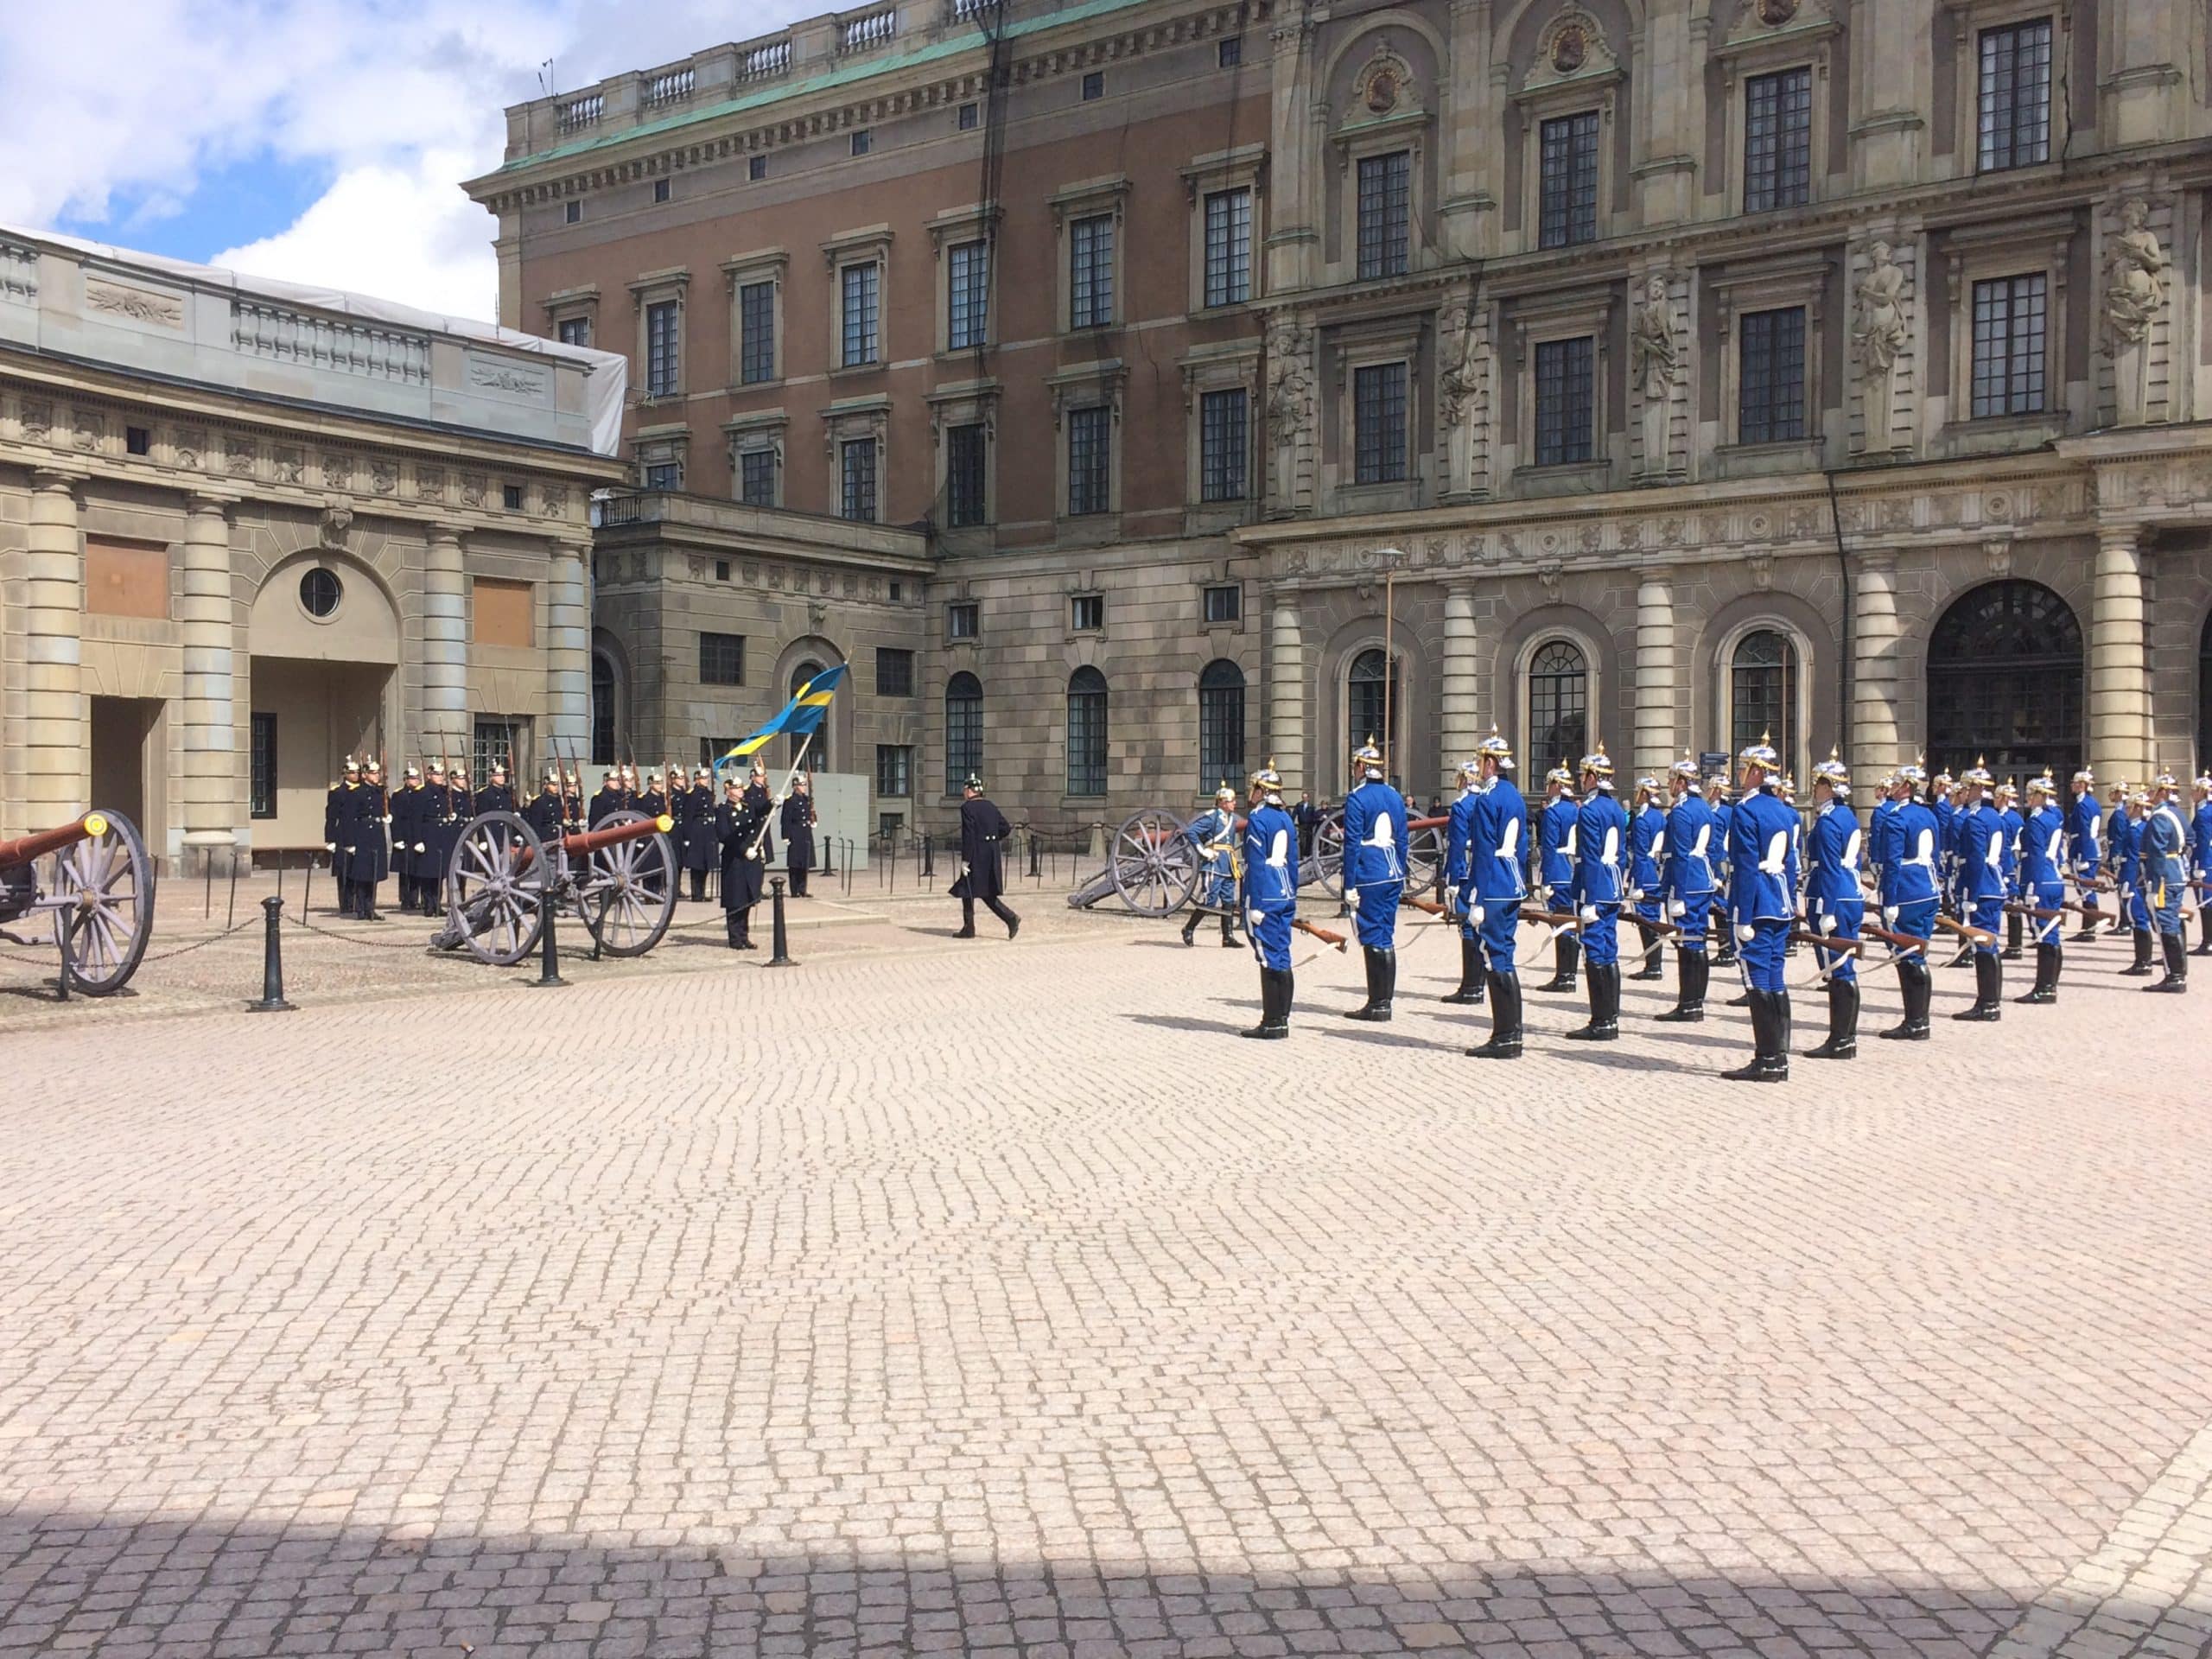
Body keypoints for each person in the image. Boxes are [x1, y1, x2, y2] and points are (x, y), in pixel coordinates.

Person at [1722, 734, 1799, 1082]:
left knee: (1757, 982)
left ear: (1756, 772)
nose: (1739, 774)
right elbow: (1792, 862)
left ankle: (1767, 1058)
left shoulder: (1746, 810)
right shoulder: (1785, 810)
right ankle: (1779, 1056)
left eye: (1743, 768)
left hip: (1756, 903)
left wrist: (1744, 914)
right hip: (1780, 900)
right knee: (1775, 977)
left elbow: (1747, 866)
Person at [1460, 729, 1529, 1059]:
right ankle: (1510, 1032)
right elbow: (1524, 846)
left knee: (1494, 956)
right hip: (1512, 880)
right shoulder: (1514, 795)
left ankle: (1506, 1036)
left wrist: (1478, 897)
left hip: (1494, 886)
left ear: (1490, 763)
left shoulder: (1488, 799)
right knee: (1504, 955)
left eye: (1480, 761)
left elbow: (1485, 851)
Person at [1340, 736, 1408, 1021]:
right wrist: (1400, 869)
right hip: (1393, 870)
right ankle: (1383, 1001)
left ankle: (1378, 1003)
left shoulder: (1358, 798)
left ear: (1361, 767)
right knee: (1386, 934)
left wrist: (1349, 883)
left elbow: (1352, 843)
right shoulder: (1394, 795)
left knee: (1371, 936)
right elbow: (1403, 839)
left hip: (1370, 873)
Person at [1802, 751, 1865, 1059]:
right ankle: (1844, 1038)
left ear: (1829, 788)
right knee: (1843, 967)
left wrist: (1826, 908)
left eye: (1818, 785)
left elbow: (1827, 867)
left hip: (1832, 896)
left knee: (1838, 969)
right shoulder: (1848, 816)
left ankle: (1841, 1040)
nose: (1815, 791)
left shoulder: (1827, 822)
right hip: (1850, 892)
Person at [1875, 761, 1941, 1041]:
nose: (1891, 788)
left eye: (1895, 784)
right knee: (1919, 953)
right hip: (1928, 886)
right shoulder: (1929, 816)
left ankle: (1915, 1021)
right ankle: (1919, 1019)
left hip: (1907, 891)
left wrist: (1889, 899)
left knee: (1906, 956)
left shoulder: (1896, 818)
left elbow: (1892, 863)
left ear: (1905, 787)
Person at [1566, 745, 1626, 1042]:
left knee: (1594, 951)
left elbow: (1589, 857)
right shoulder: (1615, 808)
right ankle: (1611, 1016)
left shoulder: (1589, 811)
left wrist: (1588, 898)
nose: (1580, 779)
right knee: (1608, 949)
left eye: (1583, 775)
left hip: (1596, 886)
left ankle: (1601, 1020)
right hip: (1613, 883)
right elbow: (1622, 853)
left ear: (1592, 777)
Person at [1240, 761, 1299, 1039]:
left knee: (1268, 958)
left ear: (1261, 790)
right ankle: (1281, 1018)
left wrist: (1257, 905)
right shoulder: (1285, 817)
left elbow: (1256, 864)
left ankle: (1272, 1021)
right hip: (1285, 890)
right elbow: (1294, 862)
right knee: (1282, 955)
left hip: (1266, 893)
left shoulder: (1258, 818)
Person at [1656, 758, 1717, 1023]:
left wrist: (1677, 894)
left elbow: (1680, 855)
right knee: (1697, 939)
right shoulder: (1703, 808)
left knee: (1687, 942)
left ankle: (1689, 1003)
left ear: (1682, 782)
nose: (1669, 785)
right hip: (1702, 878)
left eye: (1672, 780)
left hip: (1687, 882)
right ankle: (1694, 1001)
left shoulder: (1681, 812)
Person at [1950, 760, 2007, 1020]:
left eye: (1967, 788)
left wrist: (1969, 896)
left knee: (1983, 945)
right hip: (1993, 882)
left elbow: (1974, 860)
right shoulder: (1995, 817)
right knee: (1989, 943)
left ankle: (1987, 1003)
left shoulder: (1974, 820)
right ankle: (1990, 1002)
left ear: (1975, 789)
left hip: (1980, 886)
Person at [2014, 774, 2067, 1004]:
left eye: (2031, 793)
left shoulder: (2036, 821)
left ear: (2039, 796)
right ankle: (2049, 985)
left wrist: (2030, 887)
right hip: (2053, 877)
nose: (2028, 798)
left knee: (2044, 933)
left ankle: (2044, 987)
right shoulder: (2053, 818)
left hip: (2040, 879)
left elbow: (2034, 856)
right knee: (2052, 934)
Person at [1440, 760, 1487, 1005]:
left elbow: (1457, 845)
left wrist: (1452, 878)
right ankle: (1478, 983)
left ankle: (1470, 986)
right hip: (1485, 870)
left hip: (1466, 870)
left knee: (1467, 926)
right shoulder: (1486, 801)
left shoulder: (1462, 806)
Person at [1533, 764, 1580, 993]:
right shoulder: (1578, 810)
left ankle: (1565, 976)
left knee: (1561, 924)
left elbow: (1549, 847)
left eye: (1550, 785)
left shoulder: (1553, 812)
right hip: (1574, 871)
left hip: (1559, 871)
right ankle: (1569, 974)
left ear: (1558, 786)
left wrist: (1546, 879)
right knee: (1571, 922)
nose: (1547, 789)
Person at [955, 773, 1020, 939]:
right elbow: (1005, 828)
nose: (964, 793)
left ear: (970, 791)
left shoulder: (967, 808)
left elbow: (968, 835)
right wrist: (991, 838)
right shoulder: (991, 805)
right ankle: (972, 926)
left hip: (976, 854)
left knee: (969, 890)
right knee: (980, 891)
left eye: (964, 790)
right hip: (991, 853)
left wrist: (965, 860)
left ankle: (1008, 918)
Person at [716, 765, 775, 949]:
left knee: (748, 899)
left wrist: (773, 802)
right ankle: (735, 938)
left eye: (741, 788)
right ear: (728, 791)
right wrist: (744, 850)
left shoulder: (748, 807)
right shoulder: (723, 811)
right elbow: (725, 836)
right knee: (736, 900)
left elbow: (762, 810)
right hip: (735, 859)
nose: (740, 791)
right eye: (736, 788)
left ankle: (744, 936)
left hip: (751, 860)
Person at [2142, 772, 2190, 994]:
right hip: (2177, 871)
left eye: (2152, 790)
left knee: (2165, 924)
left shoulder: (2160, 816)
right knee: (2171, 921)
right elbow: (2190, 841)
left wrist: (2154, 880)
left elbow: (2157, 851)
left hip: (2165, 876)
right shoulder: (2178, 813)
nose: (2149, 795)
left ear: (2162, 792)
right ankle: (2178, 972)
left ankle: (2175, 976)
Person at [1182, 784, 1243, 948]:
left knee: (1228, 900)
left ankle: (1228, 936)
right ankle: (1189, 928)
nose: (1234, 803)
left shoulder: (1232, 818)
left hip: (1228, 863)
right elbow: (1191, 832)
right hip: (1214, 863)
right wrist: (1203, 851)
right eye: (1231, 801)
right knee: (1209, 900)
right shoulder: (1211, 817)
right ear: (1222, 803)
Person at [1627, 774, 1668, 982]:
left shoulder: (1643, 819)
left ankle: (1653, 966)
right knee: (1654, 919)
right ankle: (1655, 964)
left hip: (1646, 873)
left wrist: (1638, 883)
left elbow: (1641, 854)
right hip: (1657, 872)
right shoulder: (1660, 817)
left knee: (1647, 921)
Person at [2111, 781, 2153, 974]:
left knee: (2138, 918)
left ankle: (2143, 962)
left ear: (2137, 809)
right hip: (2135, 874)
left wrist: (2127, 880)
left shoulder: (2137, 830)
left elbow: (2135, 859)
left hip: (2133, 875)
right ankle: (2142, 960)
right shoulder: (2138, 826)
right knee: (2138, 917)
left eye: (2129, 807)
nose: (2126, 810)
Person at [2068, 768, 2103, 941]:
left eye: (2074, 783)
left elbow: (2084, 832)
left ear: (2082, 785)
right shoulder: (2093, 803)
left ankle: (2089, 929)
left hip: (2085, 851)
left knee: (2086, 890)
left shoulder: (2082, 805)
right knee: (2088, 890)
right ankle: (2089, 927)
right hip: (2092, 850)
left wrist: (2082, 855)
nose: (2072, 786)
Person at [1993, 779, 2024, 961]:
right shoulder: (2014, 817)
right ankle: (2015, 944)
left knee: (2012, 906)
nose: (1995, 800)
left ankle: (2015, 945)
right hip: (2010, 862)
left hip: (2008, 864)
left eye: (1997, 797)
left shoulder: (2006, 819)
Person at [391, 764, 427, 915]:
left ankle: (415, 898)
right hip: (405, 834)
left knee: (417, 870)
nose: (416, 780)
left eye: (417, 778)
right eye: (412, 778)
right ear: (406, 780)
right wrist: (397, 838)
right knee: (405, 870)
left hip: (417, 835)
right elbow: (396, 819)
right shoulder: (399, 795)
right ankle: (405, 900)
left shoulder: (421, 794)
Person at [680, 766, 715, 902]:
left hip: (708, 831)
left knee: (706, 863)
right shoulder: (692, 795)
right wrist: (687, 836)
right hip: (697, 830)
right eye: (703, 778)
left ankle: (702, 891)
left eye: (707, 778)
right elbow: (688, 816)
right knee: (697, 864)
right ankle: (696, 893)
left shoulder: (708, 793)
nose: (706, 780)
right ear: (696, 780)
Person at [781, 775, 818, 898]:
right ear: (796, 786)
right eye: (802, 785)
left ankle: (803, 888)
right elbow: (785, 820)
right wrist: (786, 836)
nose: (804, 787)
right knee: (795, 863)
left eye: (805, 785)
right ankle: (794, 890)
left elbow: (811, 813)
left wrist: (813, 820)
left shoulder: (807, 799)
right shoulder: (790, 800)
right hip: (795, 832)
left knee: (805, 861)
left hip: (806, 832)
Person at [2193, 774, 2212, 957]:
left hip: (2205, 859)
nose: (2192, 794)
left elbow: (2204, 840)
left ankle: (2208, 941)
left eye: (2194, 791)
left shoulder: (2204, 813)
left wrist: (2199, 863)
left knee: (2205, 901)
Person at [522, 766, 565, 842]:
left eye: (557, 785)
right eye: (553, 784)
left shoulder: (559, 801)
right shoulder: (539, 802)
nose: (556, 787)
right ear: (545, 785)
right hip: (545, 837)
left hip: (559, 836)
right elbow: (536, 824)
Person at [1293, 791, 1320, 860]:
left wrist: (1313, 824)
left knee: (1309, 841)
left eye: (1306, 797)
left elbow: (1314, 816)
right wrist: (1292, 822)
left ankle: (1307, 855)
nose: (1304, 799)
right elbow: (1294, 814)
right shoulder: (1299, 805)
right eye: (1303, 797)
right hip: (1302, 825)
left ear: (1308, 798)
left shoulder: (1311, 806)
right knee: (1302, 841)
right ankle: (1302, 855)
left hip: (1309, 825)